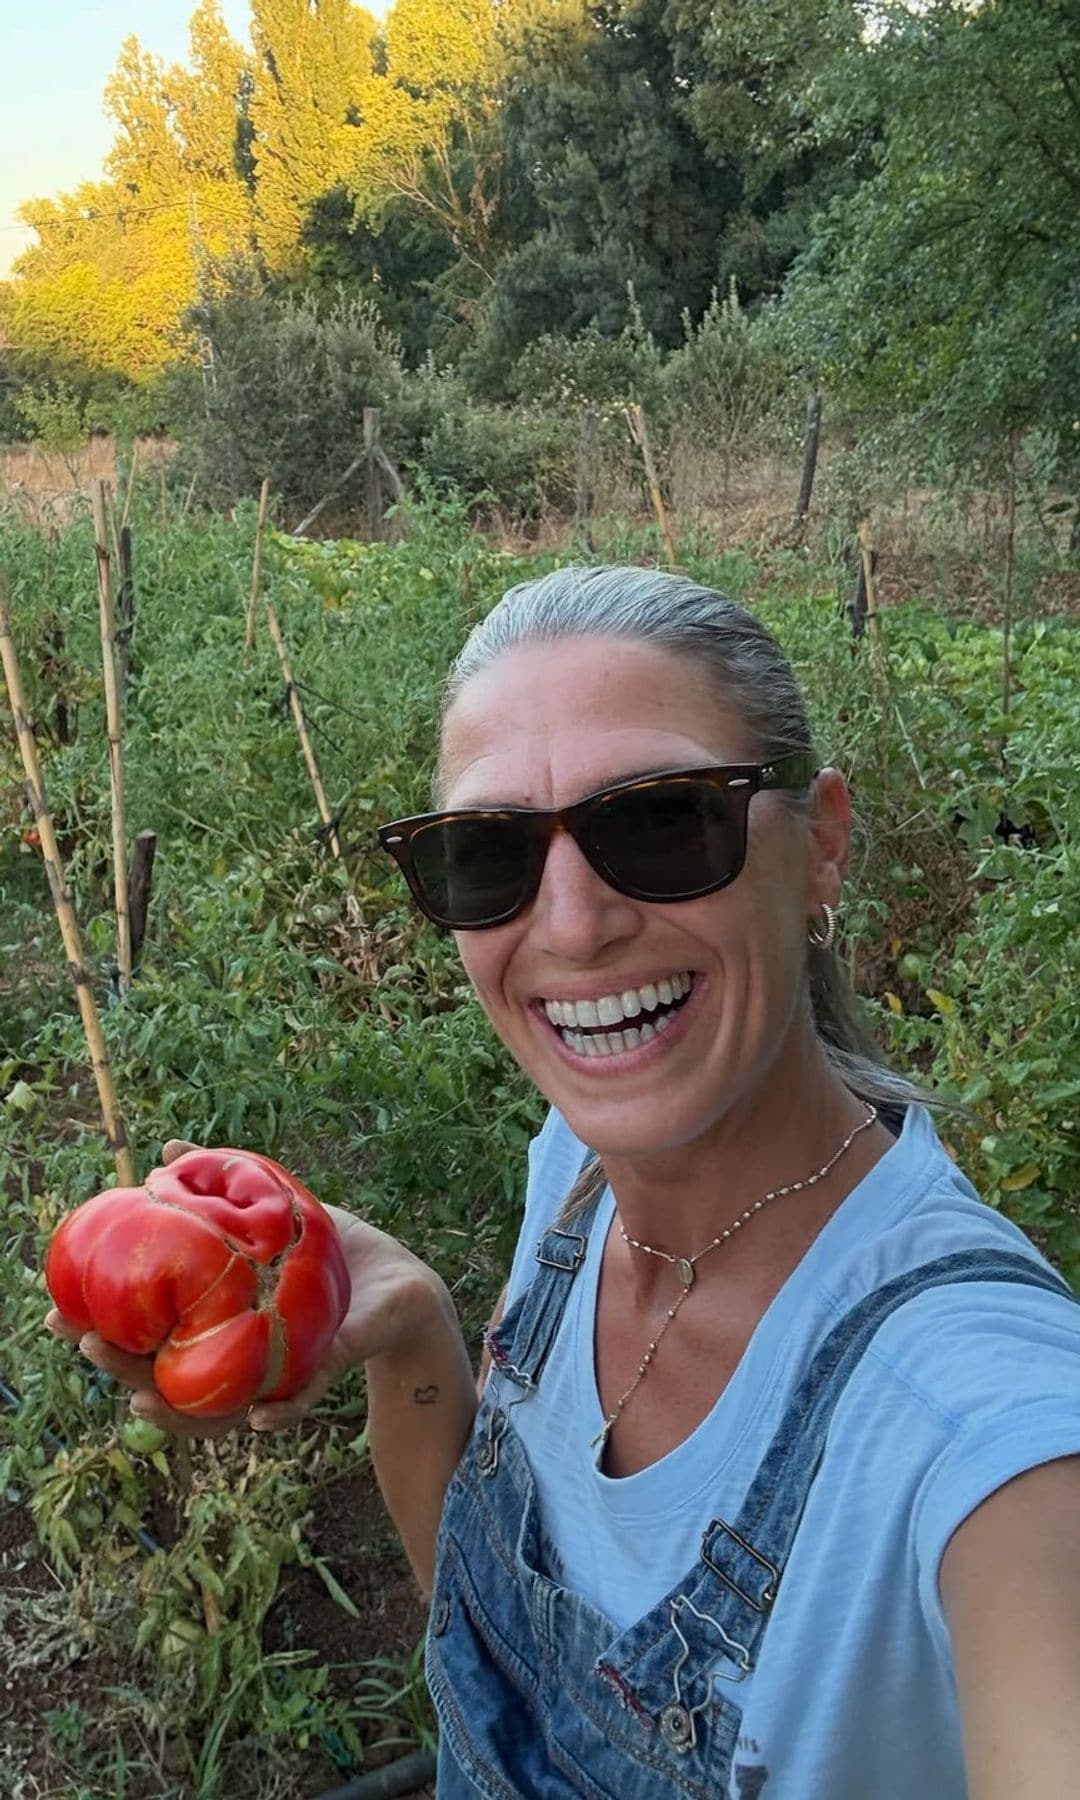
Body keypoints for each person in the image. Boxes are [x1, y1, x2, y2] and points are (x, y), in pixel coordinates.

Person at [49, 567, 1080, 1798]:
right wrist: (417, 1335)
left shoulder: (982, 1428)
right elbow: (497, 1668)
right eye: (488, 854)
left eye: (661, 823)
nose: (575, 925)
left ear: (822, 847)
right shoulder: (576, 1172)